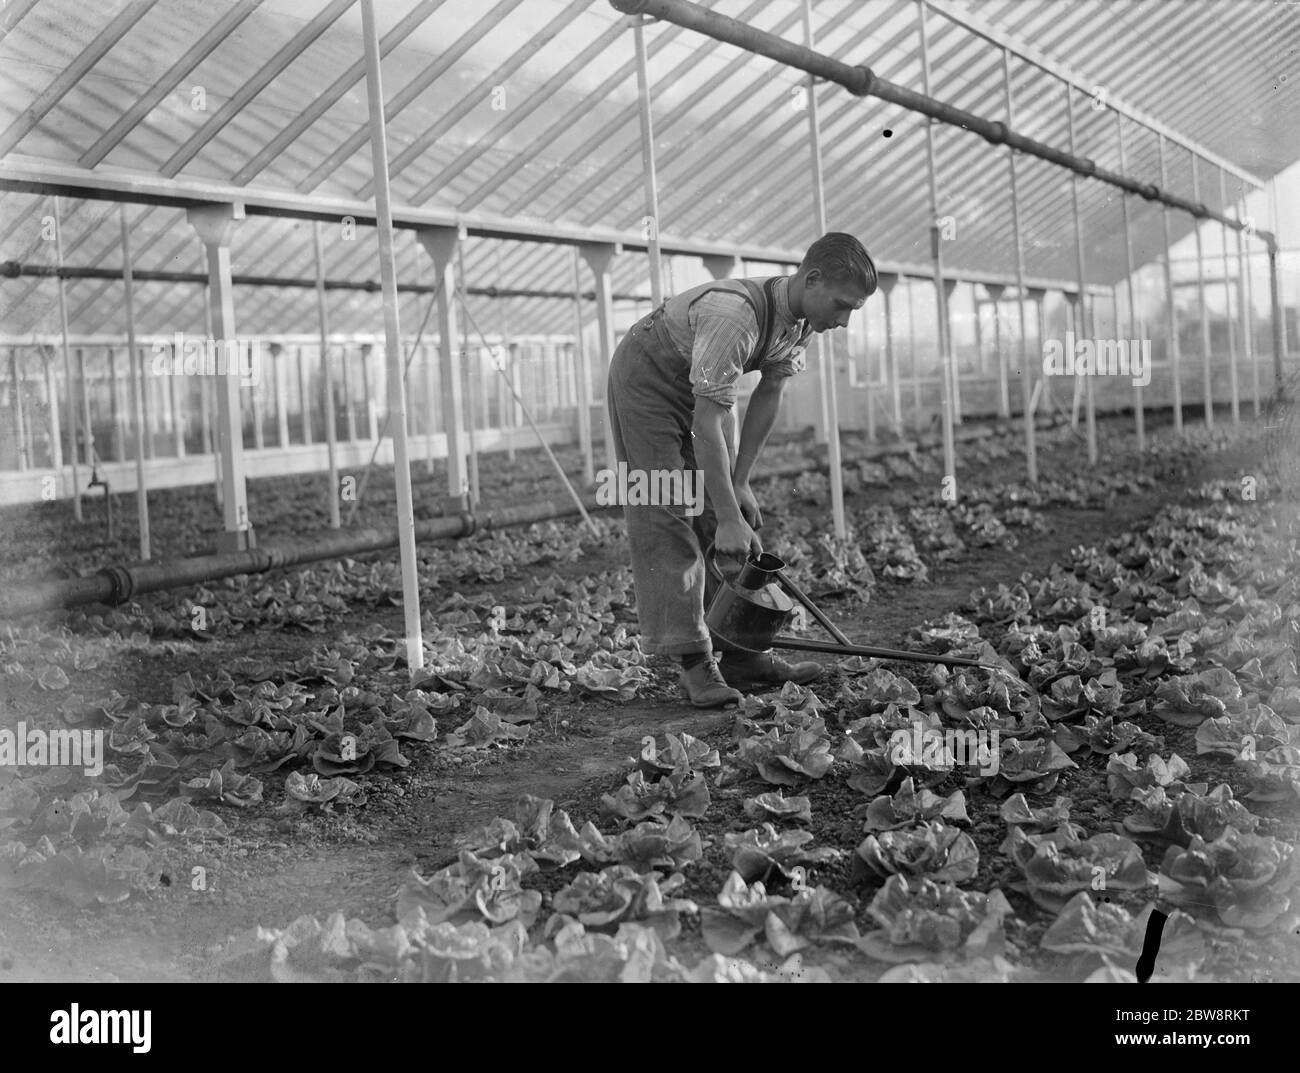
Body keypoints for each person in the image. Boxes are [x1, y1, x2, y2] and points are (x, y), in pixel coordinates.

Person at [606, 232, 878, 707]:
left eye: (852, 310)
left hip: (699, 393)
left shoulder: (800, 322)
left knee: (719, 513)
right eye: (841, 305)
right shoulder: (736, 316)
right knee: (667, 506)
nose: (843, 320)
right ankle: (695, 663)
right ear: (811, 279)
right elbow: (707, 421)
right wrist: (730, 515)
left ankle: (740, 652)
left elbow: (768, 394)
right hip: (647, 379)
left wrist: (739, 484)